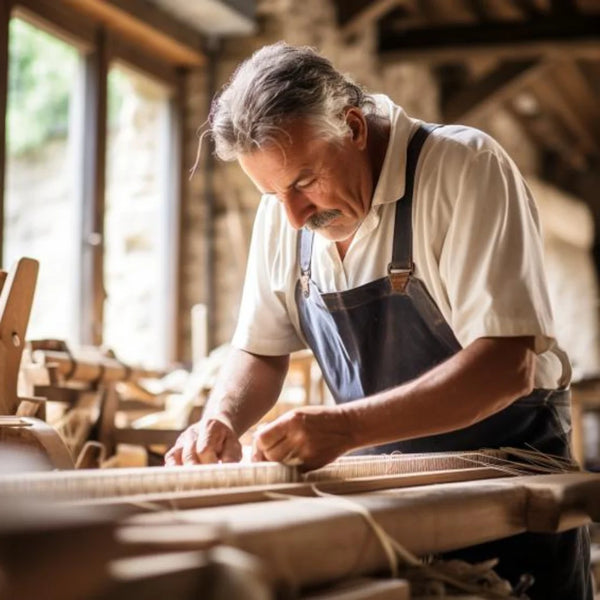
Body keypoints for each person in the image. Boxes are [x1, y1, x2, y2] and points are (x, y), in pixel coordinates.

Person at [166, 42, 591, 599]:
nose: (293, 215)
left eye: (303, 182)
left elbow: (504, 366)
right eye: (271, 193)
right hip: (382, 502)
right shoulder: (285, 214)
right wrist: (220, 417)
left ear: (354, 127)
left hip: (505, 494)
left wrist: (342, 429)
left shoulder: (463, 168)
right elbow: (259, 350)